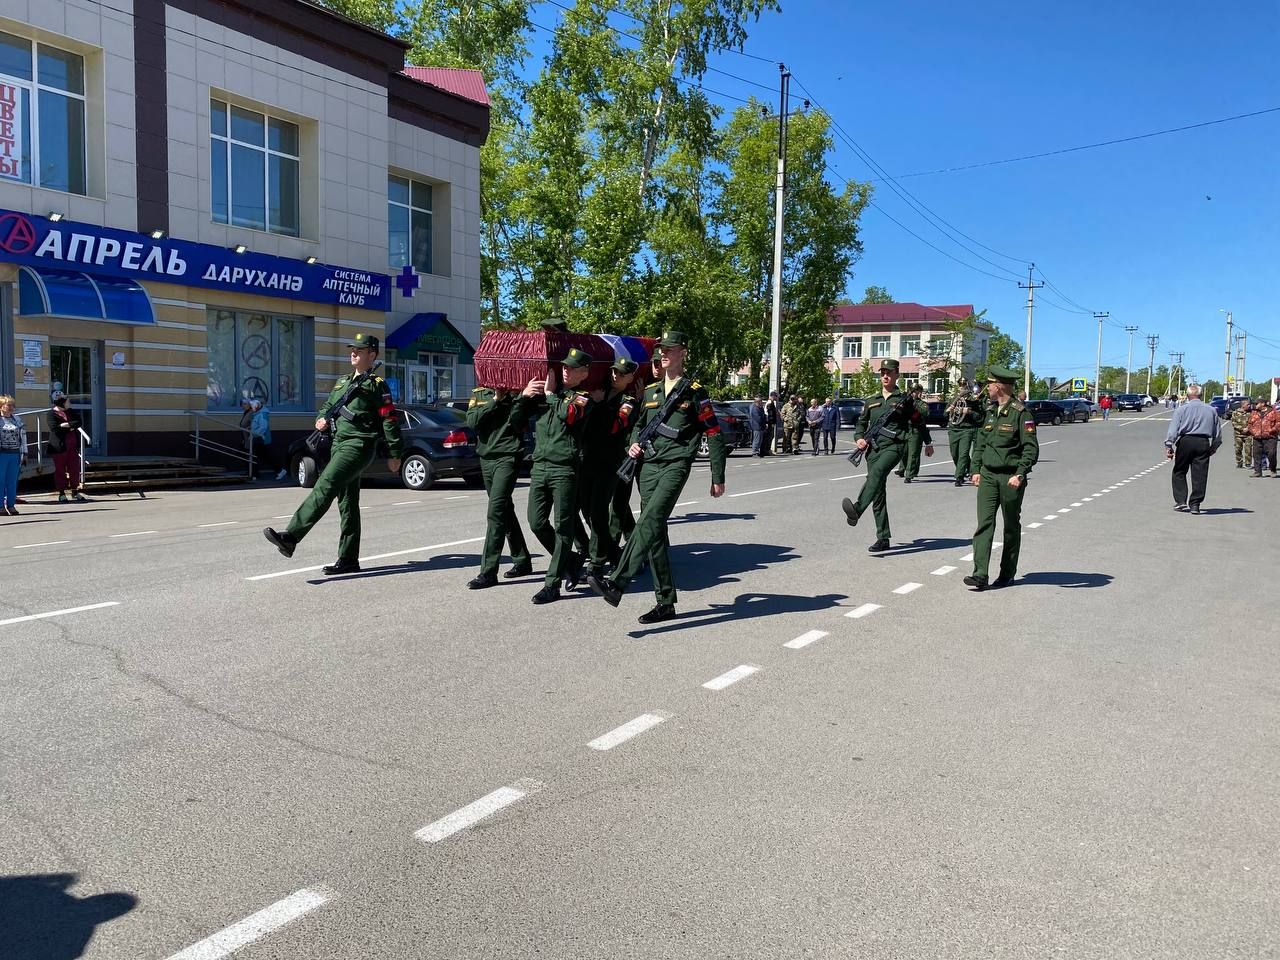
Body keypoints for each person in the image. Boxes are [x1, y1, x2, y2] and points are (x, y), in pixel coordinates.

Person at [586, 330, 728, 624]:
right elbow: (637, 425)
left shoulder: (695, 391)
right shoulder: (651, 392)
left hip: (675, 465)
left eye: (670, 349)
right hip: (649, 466)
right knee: (656, 533)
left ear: (683, 352)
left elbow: (713, 432)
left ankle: (617, 581)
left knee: (649, 519)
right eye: (662, 349)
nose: (664, 354)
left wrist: (717, 474)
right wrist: (633, 443)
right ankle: (665, 602)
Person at [263, 333, 403, 574]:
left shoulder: (377, 386)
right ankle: (349, 559)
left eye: (359, 350)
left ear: (372, 354)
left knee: (325, 485)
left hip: (359, 445)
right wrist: (321, 419)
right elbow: (328, 406)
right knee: (347, 503)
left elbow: (389, 419)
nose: (353, 353)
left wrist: (395, 452)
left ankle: (292, 536)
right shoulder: (343, 382)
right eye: (352, 349)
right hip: (339, 443)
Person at [516, 347, 595, 605]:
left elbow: (568, 415)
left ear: (583, 373)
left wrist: (550, 396)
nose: (565, 370)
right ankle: (571, 562)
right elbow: (514, 420)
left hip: (564, 469)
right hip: (540, 467)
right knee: (536, 522)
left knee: (563, 527)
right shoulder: (545, 396)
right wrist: (524, 396)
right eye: (564, 366)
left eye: (571, 368)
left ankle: (552, 584)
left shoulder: (582, 398)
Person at [840, 359, 932, 552]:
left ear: (897, 374)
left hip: (894, 446)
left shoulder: (904, 400)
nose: (885, 376)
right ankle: (883, 537)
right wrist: (859, 438)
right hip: (873, 448)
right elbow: (861, 424)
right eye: (882, 372)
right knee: (878, 491)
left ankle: (857, 509)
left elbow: (918, 421)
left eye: (889, 372)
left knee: (877, 474)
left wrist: (928, 442)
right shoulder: (872, 400)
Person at [963, 366, 1040, 591]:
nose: (986, 388)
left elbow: (1030, 448)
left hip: (1010, 478)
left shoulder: (1020, 413)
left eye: (989, 384)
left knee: (1010, 527)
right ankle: (980, 574)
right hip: (988, 475)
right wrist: (975, 469)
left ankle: (1007, 573)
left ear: (999, 386)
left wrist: (1020, 473)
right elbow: (981, 444)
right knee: (984, 524)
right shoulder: (990, 411)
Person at [464, 385, 533, 589]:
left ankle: (488, 571)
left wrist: (516, 398)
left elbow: (519, 421)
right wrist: (495, 399)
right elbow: (472, 421)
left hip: (508, 456)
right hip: (486, 457)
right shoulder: (479, 393)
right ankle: (521, 559)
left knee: (495, 511)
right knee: (504, 510)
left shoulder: (519, 393)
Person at [581, 357, 640, 579]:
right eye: (614, 372)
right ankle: (615, 553)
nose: (616, 376)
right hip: (590, 458)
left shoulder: (629, 401)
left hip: (611, 461)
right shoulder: (599, 392)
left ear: (630, 378)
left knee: (600, 510)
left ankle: (597, 561)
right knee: (586, 508)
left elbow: (615, 425)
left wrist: (597, 404)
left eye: (621, 373)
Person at [1163, 383, 1220, 514]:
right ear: (1200, 395)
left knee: (1179, 470)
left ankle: (1181, 501)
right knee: (1200, 474)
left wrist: (1169, 445)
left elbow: (1173, 430)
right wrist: (1214, 446)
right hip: (1203, 442)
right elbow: (1217, 432)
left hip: (1186, 441)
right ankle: (1195, 504)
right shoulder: (1211, 410)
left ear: (1188, 395)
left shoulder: (1181, 410)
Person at [47, 391, 87, 503]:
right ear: (61, 403)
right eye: (67, 401)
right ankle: (61, 493)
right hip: (59, 447)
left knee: (74, 468)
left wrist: (66, 425)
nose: (69, 403)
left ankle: (75, 491)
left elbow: (78, 422)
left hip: (73, 446)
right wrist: (70, 426)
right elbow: (55, 428)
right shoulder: (51, 414)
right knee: (60, 470)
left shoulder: (70, 412)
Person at [946, 377, 983, 487]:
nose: (962, 387)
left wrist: (969, 411)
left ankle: (959, 476)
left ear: (967, 386)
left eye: (964, 385)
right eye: (960, 384)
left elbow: (979, 416)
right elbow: (945, 414)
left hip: (966, 429)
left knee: (963, 454)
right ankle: (968, 469)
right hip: (954, 428)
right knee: (954, 454)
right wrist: (950, 410)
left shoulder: (973, 399)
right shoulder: (954, 398)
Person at [0, 394, 28, 516]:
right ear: (1, 406)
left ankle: (11, 505)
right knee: (1, 481)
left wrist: (25, 453)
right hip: (2, 454)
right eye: (8, 405)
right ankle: (0, 506)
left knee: (12, 481)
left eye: (13, 405)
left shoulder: (17, 419)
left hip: (15, 453)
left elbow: (23, 437)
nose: (11, 407)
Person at [895, 383, 929, 482]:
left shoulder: (921, 404)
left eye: (916, 391)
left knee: (913, 453)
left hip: (915, 430)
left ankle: (909, 474)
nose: (913, 393)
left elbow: (925, 413)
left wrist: (914, 404)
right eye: (912, 391)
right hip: (905, 429)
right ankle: (902, 469)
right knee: (904, 451)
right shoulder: (905, 401)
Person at [1247, 399, 1279, 478]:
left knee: (1271, 454)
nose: (1255, 405)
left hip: (1270, 437)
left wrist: (1272, 430)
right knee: (1256, 454)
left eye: (1257, 403)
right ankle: (1257, 471)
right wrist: (1253, 432)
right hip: (1257, 437)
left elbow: (1278, 423)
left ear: (1263, 404)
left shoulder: (1273, 412)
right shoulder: (1254, 413)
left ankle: (1273, 469)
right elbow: (1250, 424)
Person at [1231, 399, 1254, 469]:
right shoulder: (1235, 413)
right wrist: (1241, 429)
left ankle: (1248, 463)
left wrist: (1248, 428)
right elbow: (1233, 423)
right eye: (1247, 405)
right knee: (1238, 449)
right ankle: (1239, 462)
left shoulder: (1251, 413)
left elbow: (1253, 422)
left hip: (1248, 434)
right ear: (1243, 405)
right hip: (1238, 434)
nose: (1249, 406)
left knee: (1248, 449)